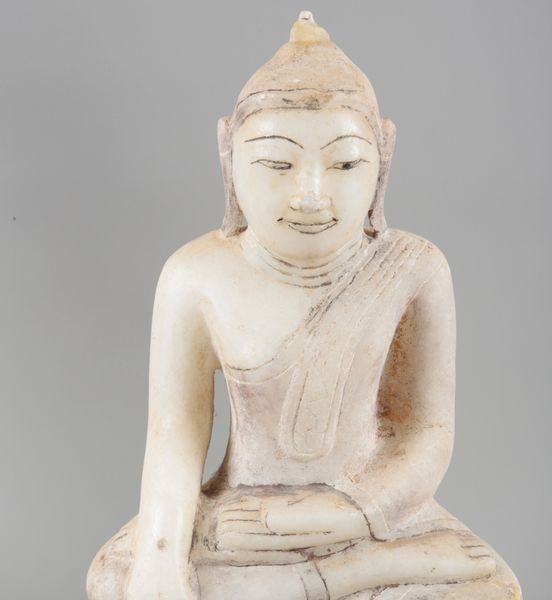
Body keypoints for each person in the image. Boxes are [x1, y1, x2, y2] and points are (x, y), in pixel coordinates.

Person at [87, 12, 520, 600]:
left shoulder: (414, 267)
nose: (311, 194)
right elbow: (174, 435)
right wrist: (160, 559)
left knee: (488, 588)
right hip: (241, 518)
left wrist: (348, 514)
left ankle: (349, 570)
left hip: (367, 517)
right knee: (114, 576)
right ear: (228, 157)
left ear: (384, 159)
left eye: (345, 164)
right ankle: (352, 576)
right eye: (276, 163)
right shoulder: (195, 274)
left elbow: (426, 434)